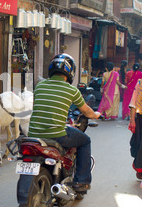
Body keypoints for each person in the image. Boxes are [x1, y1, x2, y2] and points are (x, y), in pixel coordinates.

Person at [28, 54, 101, 192]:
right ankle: (82, 181)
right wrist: (95, 115)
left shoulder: (39, 86)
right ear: (70, 72)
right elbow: (86, 111)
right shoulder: (72, 90)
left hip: (33, 133)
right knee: (85, 141)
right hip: (56, 134)